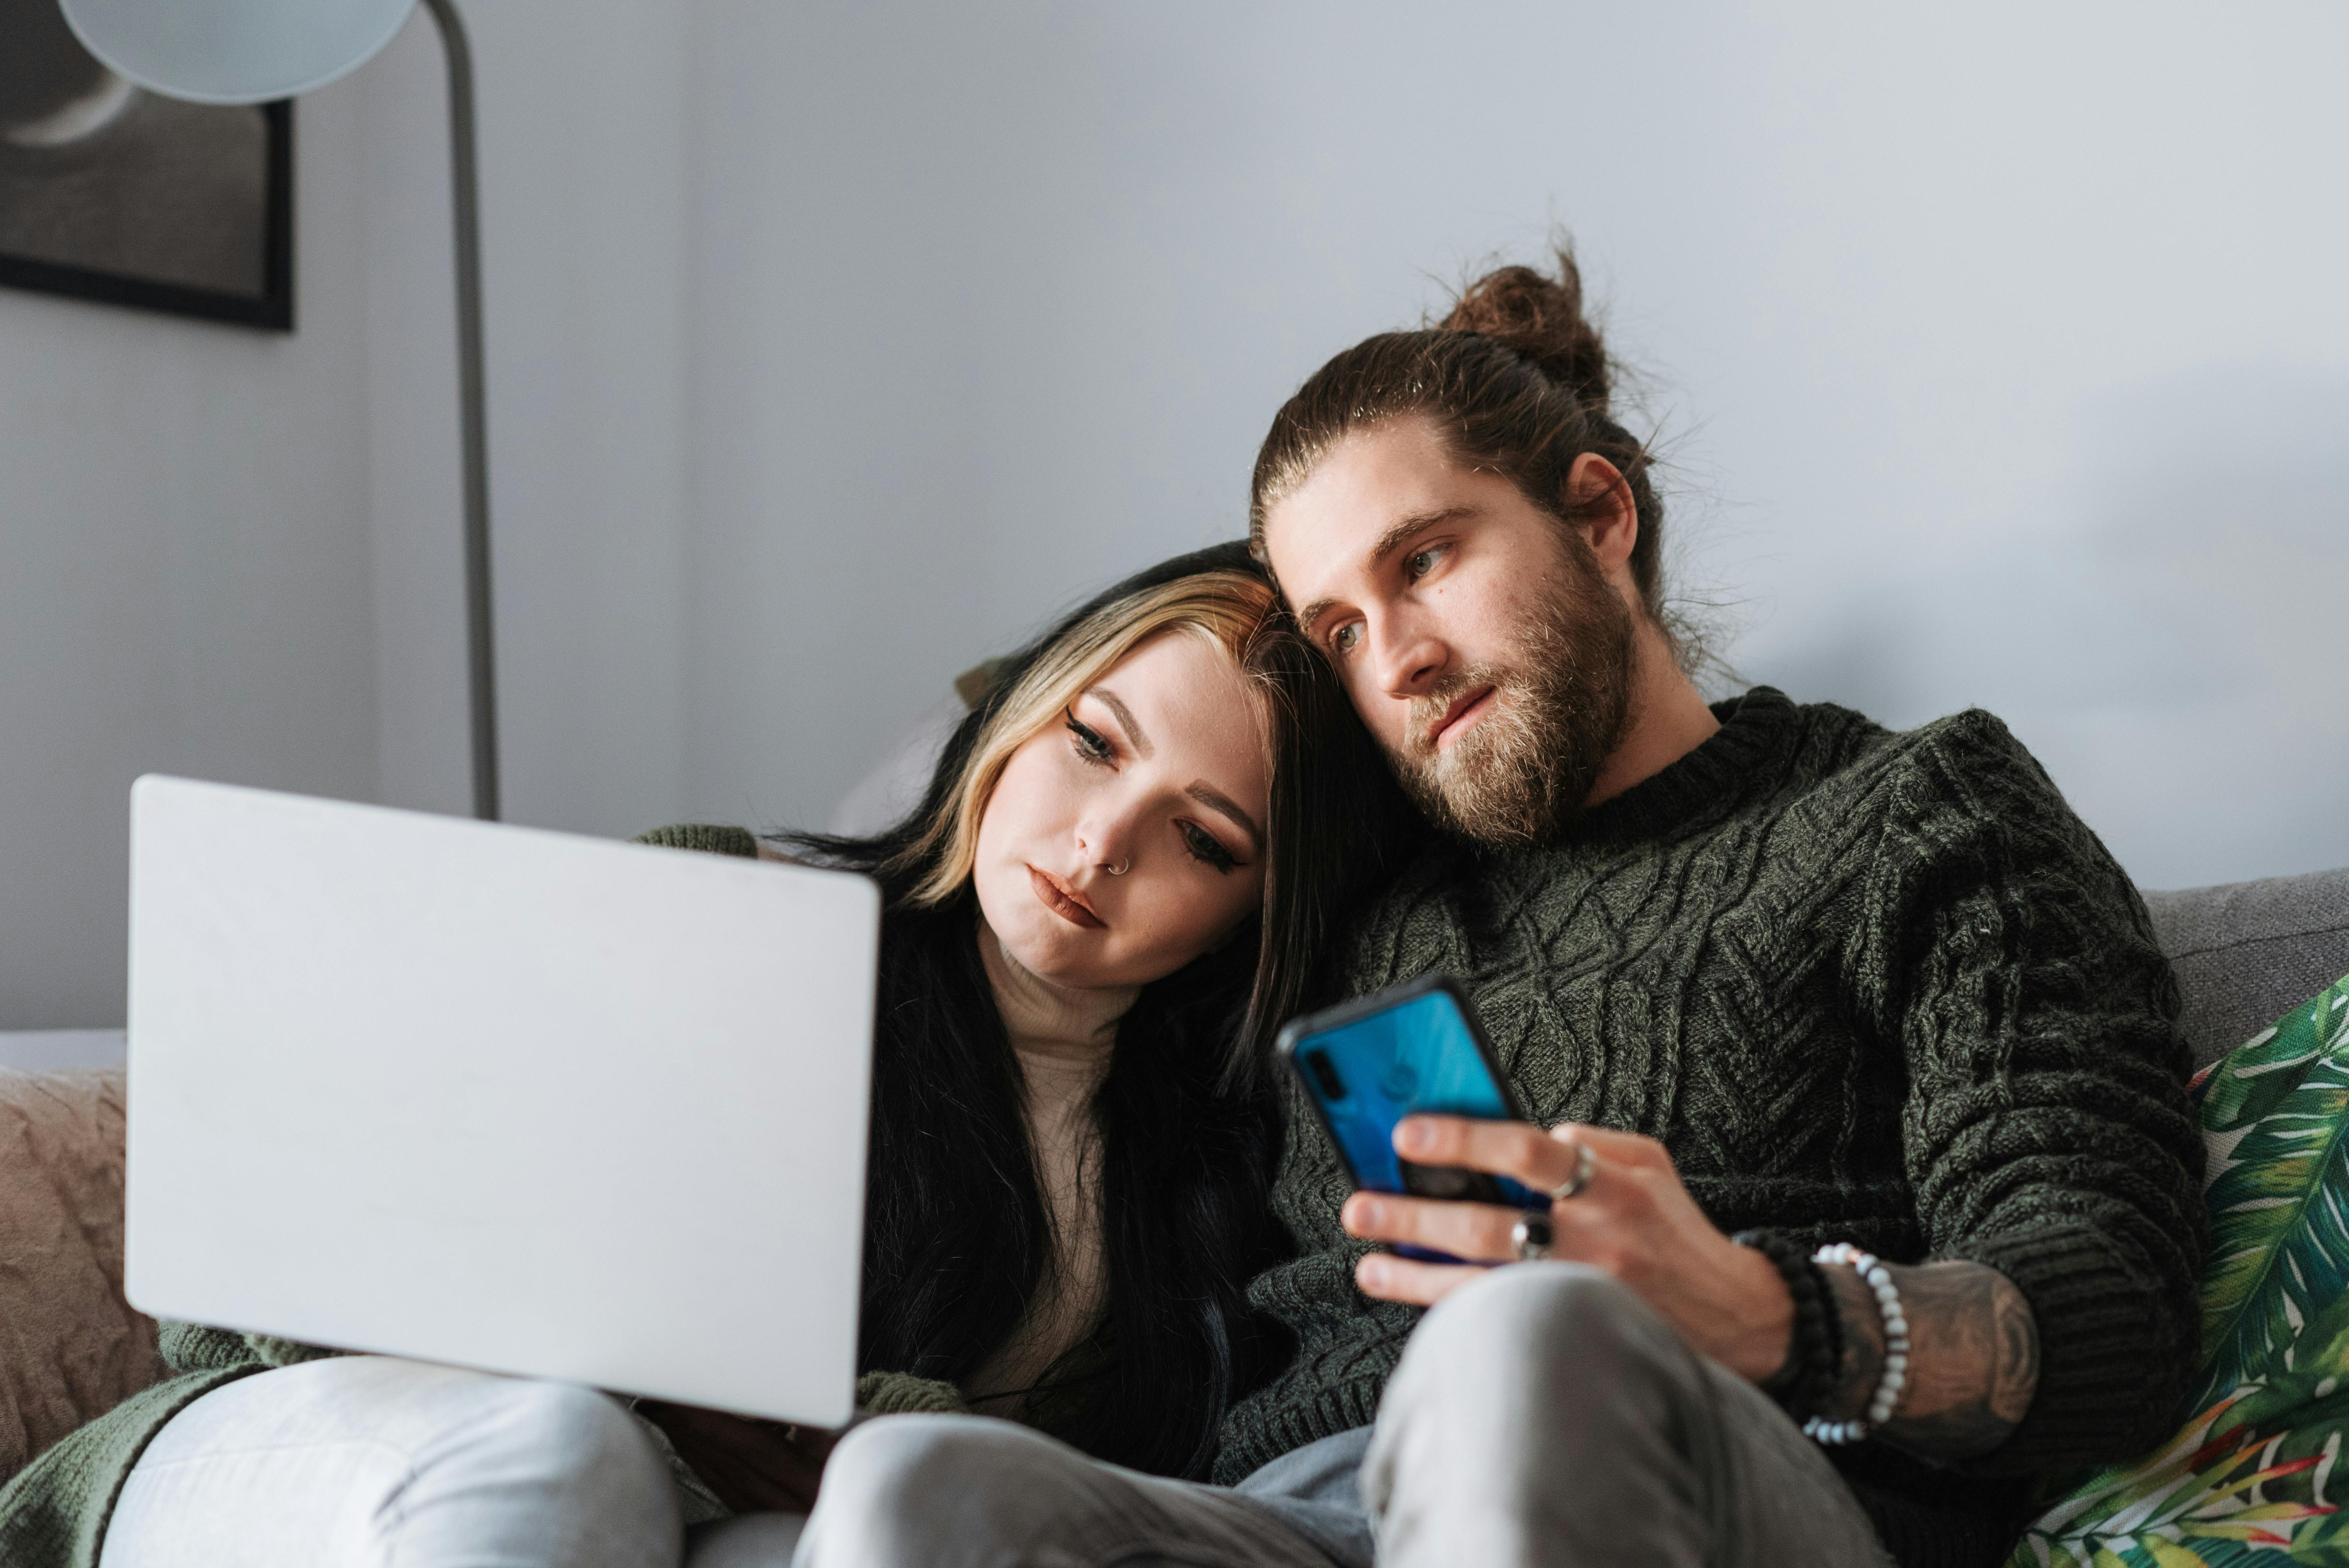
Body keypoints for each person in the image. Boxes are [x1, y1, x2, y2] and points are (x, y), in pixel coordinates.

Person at [790, 252, 2209, 1568]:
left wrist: (1763, 1312)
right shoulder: (1346, 887)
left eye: (1425, 562)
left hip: (1726, 1477)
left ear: (1600, 516)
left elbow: (2109, 1301)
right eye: (1340, 628)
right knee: (919, 1488)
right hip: (1309, 1511)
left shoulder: (1918, 812)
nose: (1396, 660)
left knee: (1523, 1339)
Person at [0, 545, 1415, 1568]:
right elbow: (250, 1294)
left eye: (1204, 837)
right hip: (347, 1442)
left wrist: (846, 1444)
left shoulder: (1212, 1182)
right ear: (1021, 713)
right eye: (1095, 744)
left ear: (1253, 913)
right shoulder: (728, 908)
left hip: (721, 1532)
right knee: (564, 1458)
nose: (1105, 843)